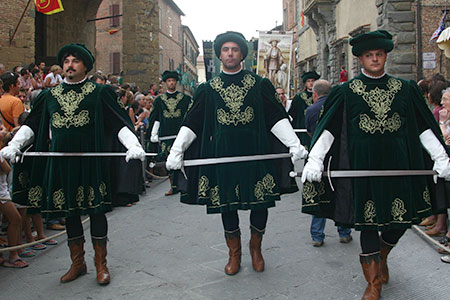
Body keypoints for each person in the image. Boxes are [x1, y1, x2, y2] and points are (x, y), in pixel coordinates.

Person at [301, 30, 450, 300]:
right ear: (360, 59)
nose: (375, 59)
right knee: (367, 222)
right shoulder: (345, 92)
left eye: (379, 55)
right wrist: (315, 158)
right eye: (369, 55)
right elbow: (329, 129)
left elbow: (422, 127)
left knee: (401, 220)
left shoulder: (405, 90)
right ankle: (373, 283)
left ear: (385, 56)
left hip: (399, 166)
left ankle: (382, 254)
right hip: (362, 168)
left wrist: (440, 156)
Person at [0, 43, 145, 285]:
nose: (69, 64)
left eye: (75, 60)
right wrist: (15, 145)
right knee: (70, 214)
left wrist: (133, 145)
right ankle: (77, 263)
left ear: (85, 66)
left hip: (91, 164)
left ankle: (101, 264)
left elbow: (119, 123)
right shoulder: (48, 96)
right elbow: (33, 125)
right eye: (66, 61)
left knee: (96, 212)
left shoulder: (101, 93)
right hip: (62, 165)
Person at [166, 31, 308, 275]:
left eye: (234, 49)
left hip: (256, 154)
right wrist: (176, 151)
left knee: (260, 202)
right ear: (220, 55)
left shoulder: (260, 85)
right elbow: (193, 122)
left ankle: (256, 247)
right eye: (225, 49)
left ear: (242, 53)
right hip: (223, 156)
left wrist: (294, 144)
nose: (230, 53)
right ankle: (234, 253)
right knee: (227, 205)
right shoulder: (207, 88)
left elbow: (276, 117)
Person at [304, 79, 352, 247]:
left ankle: (317, 235)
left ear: (315, 94)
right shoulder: (342, 107)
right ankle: (344, 232)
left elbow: (311, 133)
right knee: (342, 191)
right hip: (340, 156)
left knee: (319, 195)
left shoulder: (311, 109)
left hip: (319, 157)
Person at [149, 70, 192, 196]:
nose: (171, 83)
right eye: (169, 81)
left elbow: (191, 116)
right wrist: (153, 133)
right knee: (169, 162)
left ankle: (185, 185)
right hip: (166, 135)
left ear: (176, 82)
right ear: (165, 83)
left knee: (183, 159)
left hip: (181, 134)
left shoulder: (185, 99)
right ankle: (173, 186)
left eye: (173, 81)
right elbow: (155, 117)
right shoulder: (159, 100)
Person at [288, 70, 320, 150]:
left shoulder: (321, 95)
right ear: (305, 83)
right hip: (304, 128)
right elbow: (293, 113)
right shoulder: (299, 97)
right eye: (308, 81)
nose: (311, 83)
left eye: (313, 81)